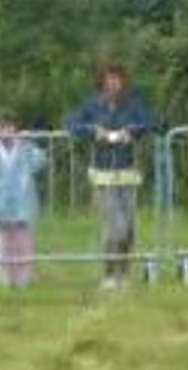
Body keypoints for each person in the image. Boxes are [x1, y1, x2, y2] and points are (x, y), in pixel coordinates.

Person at [66, 64, 156, 289]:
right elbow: (71, 124)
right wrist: (94, 131)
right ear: (102, 83)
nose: (114, 84)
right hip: (102, 175)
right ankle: (108, 275)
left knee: (130, 230)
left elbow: (152, 121)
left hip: (128, 174)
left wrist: (132, 131)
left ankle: (123, 274)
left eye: (118, 80)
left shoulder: (132, 105)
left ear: (123, 82)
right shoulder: (92, 106)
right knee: (116, 226)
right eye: (109, 80)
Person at [0, 111, 47, 288]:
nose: (6, 130)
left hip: (23, 204)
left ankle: (23, 280)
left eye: (9, 126)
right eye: (1, 127)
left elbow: (40, 162)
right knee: (1, 244)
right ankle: (4, 281)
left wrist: (30, 143)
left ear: (15, 128)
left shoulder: (24, 146)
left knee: (23, 242)